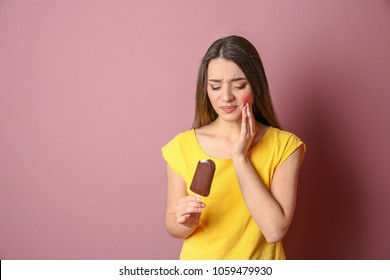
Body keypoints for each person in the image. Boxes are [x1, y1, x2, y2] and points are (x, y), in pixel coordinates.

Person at [161, 35, 306, 260]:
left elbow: (275, 230)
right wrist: (186, 222)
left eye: (239, 85)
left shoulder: (285, 146)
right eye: (215, 87)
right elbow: (172, 224)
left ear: (256, 86)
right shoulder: (182, 147)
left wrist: (240, 158)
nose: (226, 97)